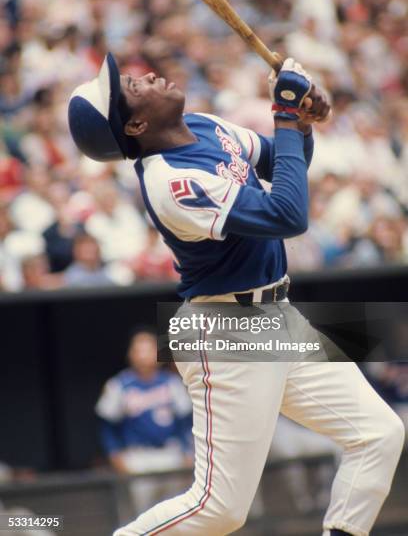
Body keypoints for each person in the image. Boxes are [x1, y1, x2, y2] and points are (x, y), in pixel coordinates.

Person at [68, 54, 405, 536]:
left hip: (275, 316)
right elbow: (288, 215)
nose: (143, 77)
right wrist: (286, 114)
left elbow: (286, 164)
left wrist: (301, 126)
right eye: (132, 90)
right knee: (219, 509)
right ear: (138, 123)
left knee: (379, 434)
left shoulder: (202, 124)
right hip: (224, 329)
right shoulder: (170, 182)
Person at [96, 330, 193, 514]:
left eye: (149, 349)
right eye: (139, 350)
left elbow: (185, 422)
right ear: (130, 354)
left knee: (176, 513)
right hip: (137, 457)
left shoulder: (172, 382)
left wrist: (188, 452)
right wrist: (115, 455)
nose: (144, 355)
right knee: (140, 516)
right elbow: (107, 426)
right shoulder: (119, 384)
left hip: (171, 454)